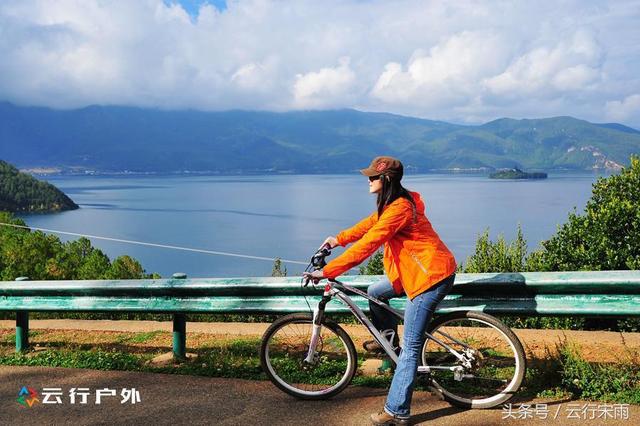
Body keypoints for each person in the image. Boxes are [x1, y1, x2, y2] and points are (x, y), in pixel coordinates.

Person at [303, 156, 457, 425]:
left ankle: (397, 411)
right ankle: (387, 340)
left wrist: (327, 272)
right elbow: (369, 224)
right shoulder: (393, 203)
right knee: (375, 291)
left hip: (429, 277)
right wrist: (337, 239)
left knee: (410, 349)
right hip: (413, 272)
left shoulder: (400, 209)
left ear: (386, 180)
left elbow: (369, 244)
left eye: (373, 177)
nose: (369, 180)